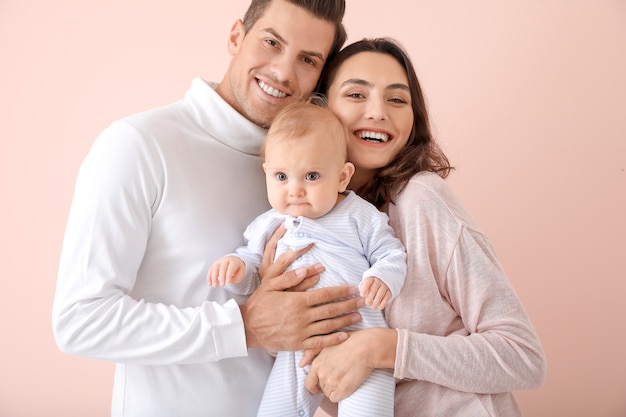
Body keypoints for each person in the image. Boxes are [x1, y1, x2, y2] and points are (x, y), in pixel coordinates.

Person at [51, 1, 368, 417]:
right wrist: (243, 325)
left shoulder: (311, 178)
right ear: (236, 35)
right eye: (271, 42)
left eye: (307, 60)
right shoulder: (138, 145)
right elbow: (81, 320)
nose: (283, 72)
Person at [299, 38, 547, 416]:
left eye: (397, 100)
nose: (378, 112)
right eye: (356, 94)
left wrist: (384, 348)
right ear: (321, 106)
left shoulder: (420, 199)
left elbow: (522, 356)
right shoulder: (310, 223)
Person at [208, 100, 406, 417]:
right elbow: (254, 271)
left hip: (360, 337)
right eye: (282, 176)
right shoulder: (269, 223)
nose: (295, 190)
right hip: (297, 342)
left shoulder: (357, 215)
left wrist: (384, 276)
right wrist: (238, 268)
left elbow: (391, 253)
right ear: (267, 175)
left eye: (311, 176)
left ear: (342, 177)